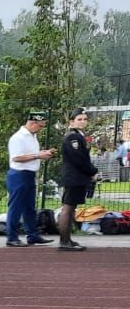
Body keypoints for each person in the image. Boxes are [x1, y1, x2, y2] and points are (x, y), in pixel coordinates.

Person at [4, 111, 55, 247]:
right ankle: (12, 237)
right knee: (15, 207)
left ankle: (32, 235)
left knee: (29, 208)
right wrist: (38, 155)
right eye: (40, 126)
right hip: (19, 174)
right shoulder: (18, 138)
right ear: (32, 123)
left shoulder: (32, 136)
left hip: (29, 174)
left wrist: (40, 154)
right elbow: (16, 157)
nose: (41, 129)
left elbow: (31, 154)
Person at [56, 107, 99, 251]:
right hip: (74, 178)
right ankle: (64, 241)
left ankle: (67, 239)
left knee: (71, 208)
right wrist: (93, 171)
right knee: (67, 209)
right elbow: (79, 159)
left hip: (77, 178)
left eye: (85, 119)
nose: (83, 122)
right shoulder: (72, 137)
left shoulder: (79, 135)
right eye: (79, 119)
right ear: (71, 122)